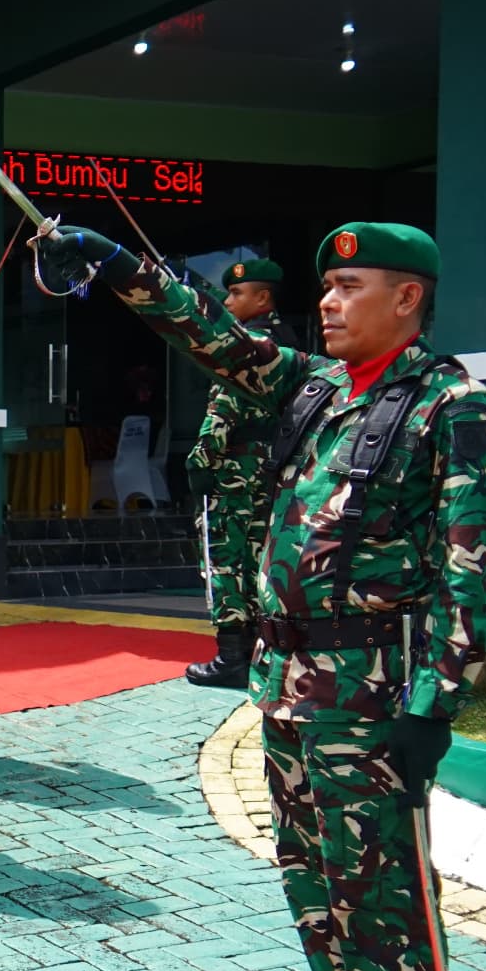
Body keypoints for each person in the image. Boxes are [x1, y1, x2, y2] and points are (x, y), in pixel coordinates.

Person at [38, 220, 486, 971]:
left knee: (381, 884)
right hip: (290, 681)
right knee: (316, 879)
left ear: (408, 298)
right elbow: (213, 336)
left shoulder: (452, 406)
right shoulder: (321, 390)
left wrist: (436, 702)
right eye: (327, 290)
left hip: (372, 689)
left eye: (353, 289)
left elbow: (471, 563)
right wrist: (123, 268)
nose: (329, 306)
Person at [184, 258, 294, 689]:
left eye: (236, 294)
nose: (229, 302)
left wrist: (199, 464)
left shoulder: (247, 349)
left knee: (225, 558)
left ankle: (231, 656)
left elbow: (222, 413)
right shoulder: (289, 343)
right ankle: (257, 652)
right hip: (271, 469)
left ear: (262, 297)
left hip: (235, 469)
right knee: (259, 557)